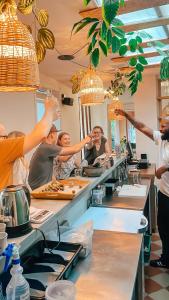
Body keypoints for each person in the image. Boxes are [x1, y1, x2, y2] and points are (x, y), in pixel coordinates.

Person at [115, 108, 169, 268]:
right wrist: (127, 116)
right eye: (161, 125)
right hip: (165, 192)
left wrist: (164, 168)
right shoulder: (162, 139)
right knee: (163, 227)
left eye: (164, 126)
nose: (160, 128)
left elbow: (162, 169)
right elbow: (142, 127)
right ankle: (166, 259)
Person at [0, 96, 60, 190]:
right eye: (3, 136)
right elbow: (39, 134)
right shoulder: (2, 147)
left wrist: (50, 117)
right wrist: (49, 110)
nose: (5, 140)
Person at [28, 125, 91, 190]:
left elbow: (50, 172)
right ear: (52, 135)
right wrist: (86, 140)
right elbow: (75, 149)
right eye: (56, 134)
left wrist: (57, 185)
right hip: (39, 189)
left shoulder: (44, 147)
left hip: (42, 187)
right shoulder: (47, 148)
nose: (56, 137)